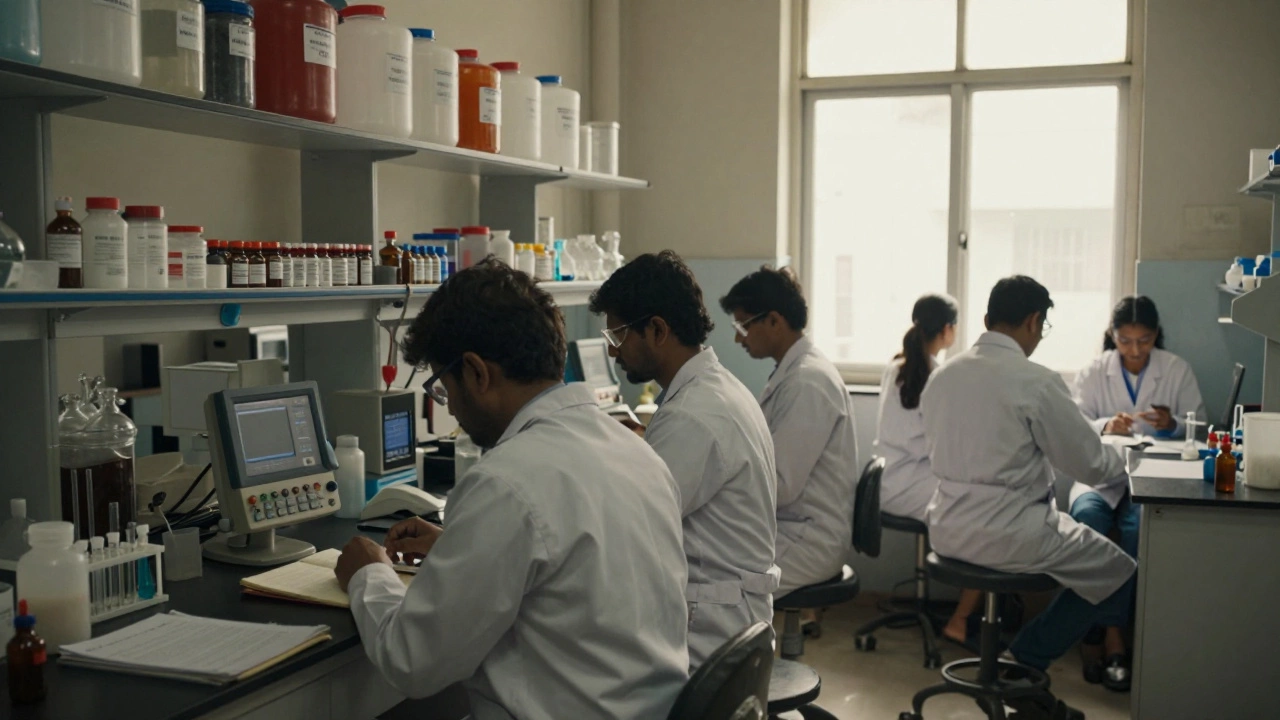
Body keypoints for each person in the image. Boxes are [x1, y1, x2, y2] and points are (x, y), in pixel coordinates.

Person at [333, 260, 690, 719]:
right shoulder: (633, 449)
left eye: (444, 387)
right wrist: (463, 547)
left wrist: (369, 574)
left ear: (478, 373)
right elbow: (576, 571)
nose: (453, 407)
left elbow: (413, 662)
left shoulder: (505, 482)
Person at [920, 276, 1137, 707]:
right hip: (1009, 533)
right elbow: (1090, 464)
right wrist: (1131, 458)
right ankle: (1022, 660)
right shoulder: (1035, 380)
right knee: (1119, 572)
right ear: (1035, 321)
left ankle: (1014, 669)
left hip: (946, 528)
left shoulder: (944, 376)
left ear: (986, 320)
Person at [589, 250, 780, 669]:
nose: (614, 354)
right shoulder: (717, 390)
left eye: (618, 336)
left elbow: (622, 534)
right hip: (733, 623)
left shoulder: (692, 417)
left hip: (707, 637)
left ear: (656, 329)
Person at [1066, 295, 1205, 691]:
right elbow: (1076, 424)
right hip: (1101, 475)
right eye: (1125, 341)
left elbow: (1200, 425)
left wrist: (1170, 423)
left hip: (1154, 475)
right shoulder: (1094, 370)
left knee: (1138, 529)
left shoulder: (1176, 369)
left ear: (1156, 335)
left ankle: (1108, 634)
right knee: (1088, 521)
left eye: (1144, 341)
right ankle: (1099, 634)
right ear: (1113, 336)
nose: (1135, 350)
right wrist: (1108, 425)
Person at [718, 266, 858, 597]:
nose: (738, 337)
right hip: (790, 528)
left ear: (774, 321)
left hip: (805, 539)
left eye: (743, 325)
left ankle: (745, 649)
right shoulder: (793, 372)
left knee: (709, 586)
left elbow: (780, 485)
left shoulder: (808, 382)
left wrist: (721, 484)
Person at [874, 293, 983, 650]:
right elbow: (943, 447)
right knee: (988, 518)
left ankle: (960, 615)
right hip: (913, 486)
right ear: (948, 330)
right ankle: (960, 620)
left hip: (886, 482)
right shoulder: (938, 376)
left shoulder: (894, 368)